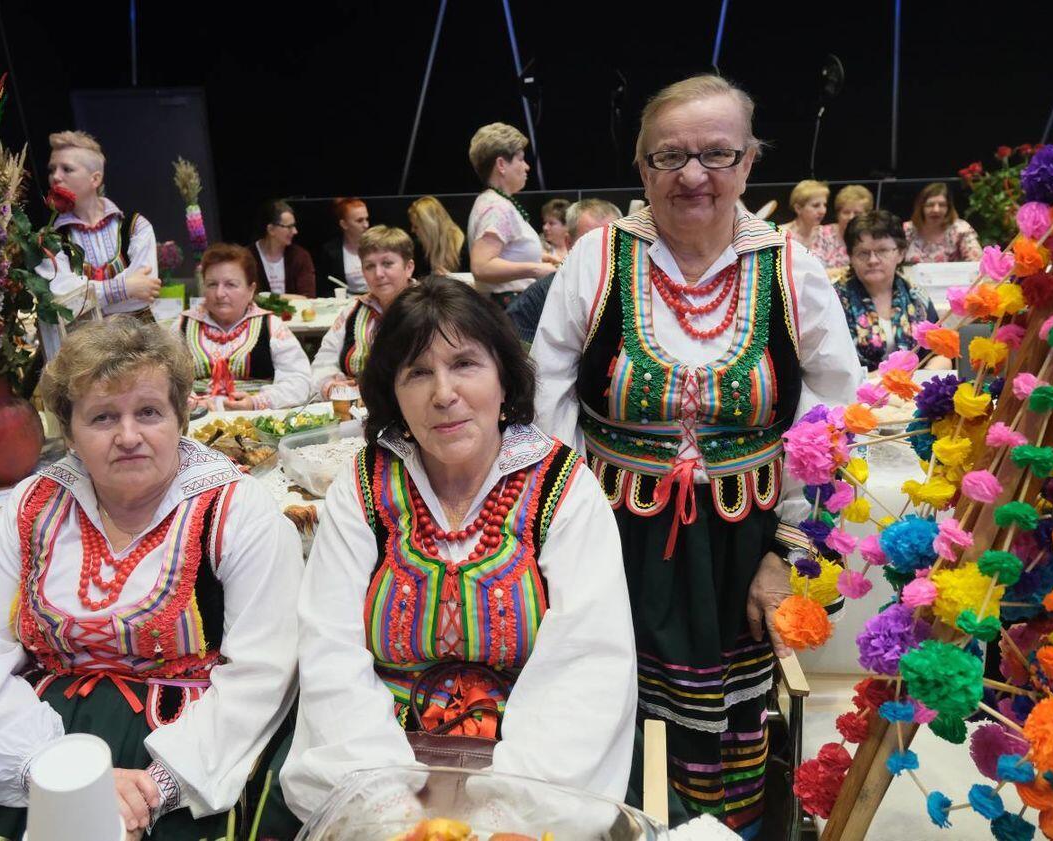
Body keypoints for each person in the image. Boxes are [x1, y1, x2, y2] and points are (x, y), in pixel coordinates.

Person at [529, 74, 861, 836]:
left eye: (717, 153)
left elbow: (834, 420)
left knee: (730, 729)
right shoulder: (597, 260)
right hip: (613, 537)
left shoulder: (792, 269)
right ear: (642, 168)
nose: (693, 175)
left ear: (749, 162)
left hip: (746, 550)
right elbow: (545, 404)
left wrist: (788, 552)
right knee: (606, 706)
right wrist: (566, 540)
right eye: (669, 156)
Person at [0, 319, 303, 840]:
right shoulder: (33, 506)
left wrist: (156, 787)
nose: (129, 436)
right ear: (70, 432)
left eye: (149, 412)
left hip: (188, 743)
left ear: (181, 418)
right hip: (41, 733)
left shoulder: (238, 511)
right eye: (102, 417)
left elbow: (264, 670)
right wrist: (45, 767)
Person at [280, 277, 637, 821]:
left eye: (465, 364)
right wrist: (391, 804)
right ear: (393, 393)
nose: (444, 394)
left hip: (534, 767)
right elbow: (329, 647)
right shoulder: (365, 486)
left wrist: (504, 809)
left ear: (504, 377)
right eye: (417, 372)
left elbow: (588, 663)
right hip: (378, 758)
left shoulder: (564, 488)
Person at [39, 131, 161, 356]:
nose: (56, 177)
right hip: (86, 353)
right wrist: (125, 288)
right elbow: (65, 301)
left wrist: (90, 294)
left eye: (67, 169)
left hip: (139, 346)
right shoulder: (51, 238)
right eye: (52, 169)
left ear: (95, 179)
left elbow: (142, 294)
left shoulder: (135, 226)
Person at [178, 243, 312, 410]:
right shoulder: (182, 325)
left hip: (254, 420)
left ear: (251, 290)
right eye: (212, 284)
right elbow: (164, 380)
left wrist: (256, 402)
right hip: (196, 419)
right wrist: (192, 402)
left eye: (231, 284)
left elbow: (300, 381)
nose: (219, 293)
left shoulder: (271, 326)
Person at [835, 210, 949, 371]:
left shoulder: (916, 296)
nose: (873, 260)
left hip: (913, 384)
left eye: (882, 251)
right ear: (851, 256)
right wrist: (882, 379)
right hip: (858, 385)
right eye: (863, 253)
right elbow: (830, 366)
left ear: (901, 253)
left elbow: (940, 353)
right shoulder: (835, 300)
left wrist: (923, 376)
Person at [311, 225, 416, 398]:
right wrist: (330, 385)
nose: (378, 273)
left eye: (387, 264)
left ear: (409, 267)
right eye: (369, 266)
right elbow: (323, 362)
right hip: (353, 405)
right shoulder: (352, 311)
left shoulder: (429, 307)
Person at [466, 122, 558, 308]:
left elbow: (506, 253)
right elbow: (481, 266)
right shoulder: (496, 207)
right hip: (510, 308)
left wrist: (540, 258)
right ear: (501, 164)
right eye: (521, 159)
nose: (526, 167)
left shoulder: (494, 201)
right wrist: (536, 268)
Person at [506, 198, 622, 344]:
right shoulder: (538, 296)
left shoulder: (638, 290)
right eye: (591, 243)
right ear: (569, 243)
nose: (603, 251)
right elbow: (519, 353)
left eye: (611, 241)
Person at [250, 199, 316, 297]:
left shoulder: (301, 256)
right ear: (271, 229)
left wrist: (270, 298)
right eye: (289, 227)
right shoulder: (247, 257)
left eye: (294, 226)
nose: (295, 231)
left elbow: (308, 297)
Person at [903, 182, 981, 263]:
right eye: (930, 205)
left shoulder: (961, 229)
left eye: (942, 205)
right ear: (921, 207)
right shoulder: (907, 230)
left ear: (949, 208)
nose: (936, 210)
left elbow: (976, 262)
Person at [810, 184, 875, 270]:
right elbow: (813, 267)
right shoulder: (821, 234)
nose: (851, 217)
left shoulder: (872, 238)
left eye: (857, 213)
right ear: (838, 214)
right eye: (846, 212)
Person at [317, 197, 370, 296]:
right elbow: (324, 289)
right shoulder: (331, 251)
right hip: (347, 301)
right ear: (344, 224)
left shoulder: (379, 245)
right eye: (360, 221)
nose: (366, 225)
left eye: (366, 219)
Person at [408, 195, 467, 278]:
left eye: (416, 226)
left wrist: (451, 278)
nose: (412, 230)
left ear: (429, 228)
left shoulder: (464, 247)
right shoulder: (418, 248)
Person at [780, 178, 828, 255]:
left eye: (824, 205)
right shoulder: (782, 234)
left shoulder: (825, 234)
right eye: (816, 205)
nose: (823, 211)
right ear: (798, 208)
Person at [540, 197, 572, 262]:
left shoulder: (578, 248)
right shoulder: (538, 248)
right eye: (545, 223)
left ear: (566, 225)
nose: (545, 227)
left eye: (551, 223)